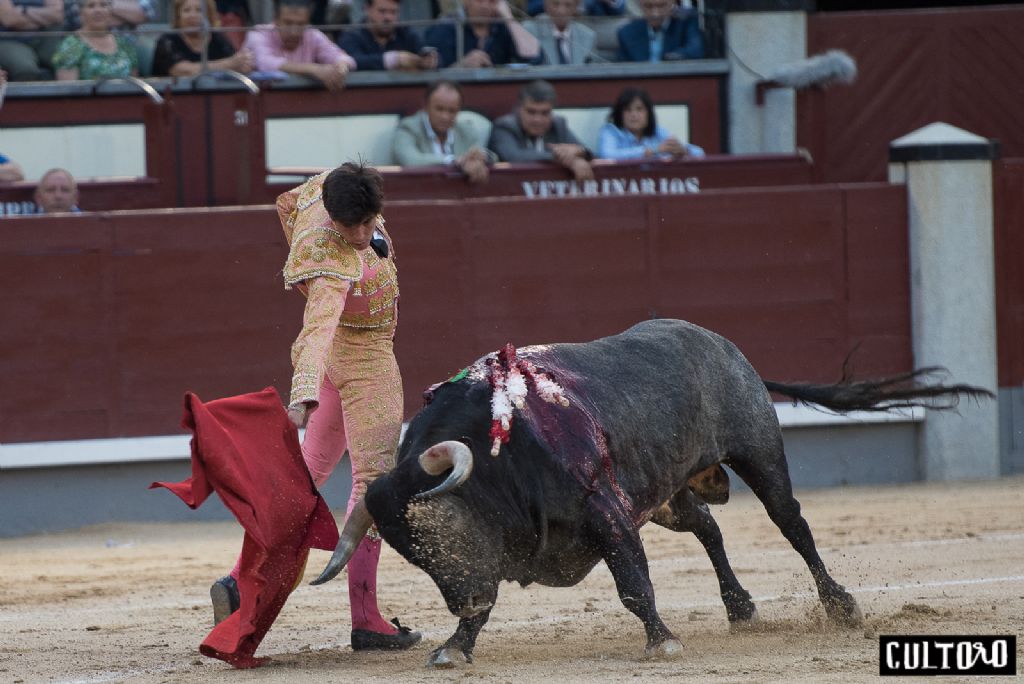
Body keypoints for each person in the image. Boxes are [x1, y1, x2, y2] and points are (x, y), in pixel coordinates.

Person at [208, 161, 420, 652]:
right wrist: (302, 393)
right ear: (334, 218)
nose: (364, 234)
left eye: (371, 221)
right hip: (364, 361)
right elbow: (317, 328)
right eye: (353, 227)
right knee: (374, 484)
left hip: (340, 360)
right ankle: (367, 620)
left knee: (306, 476)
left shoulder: (329, 187)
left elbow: (284, 203)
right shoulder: (330, 264)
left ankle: (240, 579)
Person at [487, 79, 593, 181]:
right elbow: (514, 156)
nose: (538, 119)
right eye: (531, 112)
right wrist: (561, 158)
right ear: (519, 109)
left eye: (545, 113)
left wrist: (580, 152)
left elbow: (589, 153)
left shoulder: (558, 125)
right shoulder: (504, 126)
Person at [392, 80, 494, 183]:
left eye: (452, 111)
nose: (445, 117)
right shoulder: (408, 128)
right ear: (426, 107)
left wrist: (482, 157)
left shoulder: (466, 130)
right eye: (439, 109)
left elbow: (490, 156)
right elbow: (410, 160)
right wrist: (454, 161)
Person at [242, 0, 357, 92]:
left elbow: (345, 58)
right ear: (275, 20)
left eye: (301, 24)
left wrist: (341, 69)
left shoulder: (312, 34)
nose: (294, 31)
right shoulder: (258, 34)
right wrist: (313, 69)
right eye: (288, 23)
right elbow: (265, 63)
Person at [423, 0, 539, 69]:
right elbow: (433, 74)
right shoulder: (444, 27)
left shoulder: (504, 27)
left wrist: (508, 17)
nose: (484, 5)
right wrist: (461, 66)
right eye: (479, 0)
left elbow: (533, 57)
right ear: (466, 1)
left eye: (491, 1)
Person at [597, 87, 704, 160]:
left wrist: (683, 151)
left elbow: (699, 153)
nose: (634, 115)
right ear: (620, 114)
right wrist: (651, 151)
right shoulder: (610, 131)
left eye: (639, 109)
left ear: (648, 113)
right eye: (628, 110)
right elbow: (607, 156)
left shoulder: (658, 132)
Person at [152, 0, 254, 77]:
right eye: (186, 10)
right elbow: (184, 71)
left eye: (199, 10)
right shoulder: (167, 40)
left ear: (209, 16)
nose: (192, 15)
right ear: (178, 17)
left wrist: (243, 64)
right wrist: (229, 63)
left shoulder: (218, 38)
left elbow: (236, 64)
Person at [337, 0, 436, 72]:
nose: (388, 17)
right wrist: (394, 59)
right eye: (382, 11)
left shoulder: (405, 33)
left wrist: (430, 60)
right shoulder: (352, 35)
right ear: (367, 9)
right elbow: (352, 62)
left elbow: (429, 53)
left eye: (393, 12)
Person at [53, 0, 138, 80]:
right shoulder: (70, 46)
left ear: (110, 11)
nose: (98, 10)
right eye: (91, 6)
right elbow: (68, 91)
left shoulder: (124, 44)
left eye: (103, 5)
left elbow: (136, 85)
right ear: (81, 12)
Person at [615, 0, 703, 63]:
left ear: (673, 3)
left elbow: (696, 49)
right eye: (649, 6)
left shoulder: (686, 21)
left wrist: (671, 59)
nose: (655, 13)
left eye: (661, 6)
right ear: (640, 3)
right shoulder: (626, 33)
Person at [0, 0, 65, 81]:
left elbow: (58, 15)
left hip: (45, 38)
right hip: (9, 40)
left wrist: (24, 11)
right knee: (25, 69)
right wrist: (45, 17)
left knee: (65, 61)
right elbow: (10, 19)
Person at [522, 0, 596, 66]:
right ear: (546, 5)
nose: (561, 11)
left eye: (568, 5)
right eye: (555, 4)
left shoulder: (587, 36)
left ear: (575, 7)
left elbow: (593, 74)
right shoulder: (530, 30)